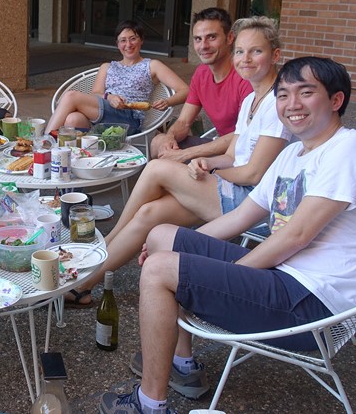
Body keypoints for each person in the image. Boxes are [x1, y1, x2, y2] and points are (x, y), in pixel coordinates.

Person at [98, 57, 356, 414]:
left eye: (306, 93)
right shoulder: (294, 152)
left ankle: (149, 404)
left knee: (159, 271)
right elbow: (240, 217)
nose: (292, 105)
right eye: (283, 95)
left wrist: (219, 272)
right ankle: (183, 365)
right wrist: (184, 252)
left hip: (312, 304)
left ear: (336, 100)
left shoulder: (350, 147)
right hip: (281, 277)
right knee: (161, 236)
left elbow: (296, 235)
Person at [65, 16, 291, 307]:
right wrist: (205, 162)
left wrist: (205, 164)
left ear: (275, 55)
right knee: (148, 213)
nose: (245, 59)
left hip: (255, 204)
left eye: (255, 51)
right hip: (230, 187)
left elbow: (253, 173)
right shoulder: (252, 101)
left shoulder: (279, 102)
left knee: (157, 168)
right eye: (241, 52)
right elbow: (233, 155)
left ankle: (103, 245)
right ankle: (85, 284)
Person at [46, 20, 188, 135]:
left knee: (71, 96)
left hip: (129, 119)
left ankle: (43, 144)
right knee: (73, 119)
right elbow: (96, 94)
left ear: (141, 40)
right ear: (117, 44)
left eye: (133, 39)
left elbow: (185, 90)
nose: (128, 45)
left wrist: (168, 101)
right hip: (102, 118)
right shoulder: (107, 67)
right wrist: (109, 97)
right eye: (123, 40)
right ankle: (76, 162)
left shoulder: (152, 65)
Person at [149, 7, 253, 161]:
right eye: (198, 39)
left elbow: (244, 134)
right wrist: (170, 137)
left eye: (211, 37)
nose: (203, 46)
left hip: (241, 155)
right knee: (158, 142)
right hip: (218, 146)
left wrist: (186, 154)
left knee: (162, 167)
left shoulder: (245, 77)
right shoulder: (201, 73)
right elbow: (184, 122)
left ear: (230, 38)